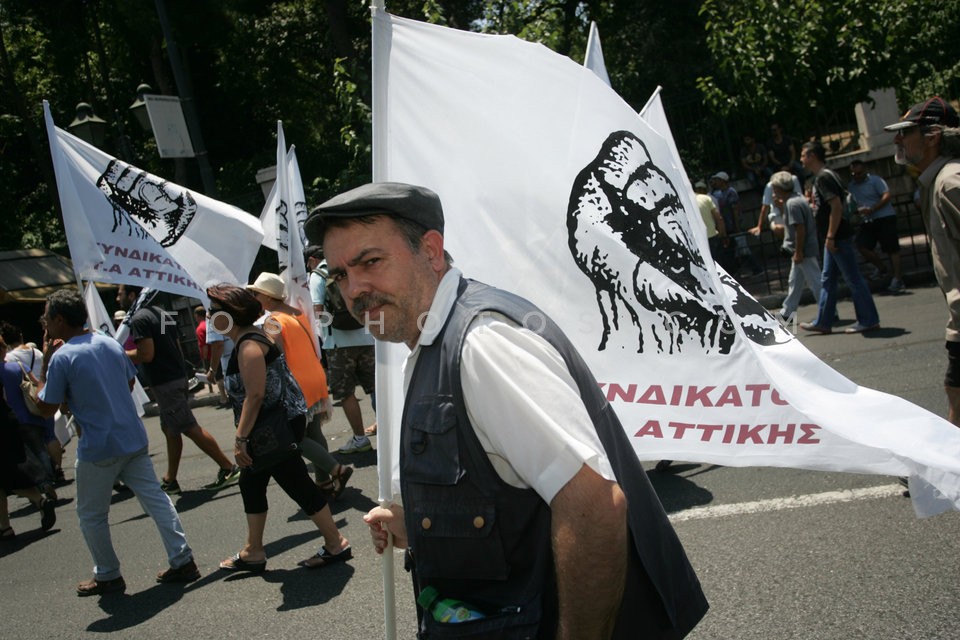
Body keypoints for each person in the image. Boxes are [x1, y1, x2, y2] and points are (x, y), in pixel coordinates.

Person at [305, 182, 708, 639]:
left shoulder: (482, 344)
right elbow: (504, 500)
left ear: (431, 250)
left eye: (370, 262)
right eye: (339, 275)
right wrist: (420, 525)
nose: (354, 290)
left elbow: (594, 506)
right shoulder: (435, 336)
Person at [33, 289, 199, 596]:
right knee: (156, 500)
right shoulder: (109, 343)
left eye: (46, 318)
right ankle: (183, 558)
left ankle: (108, 574)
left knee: (92, 514)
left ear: (58, 320)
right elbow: (129, 381)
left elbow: (46, 407)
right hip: (132, 437)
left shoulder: (62, 357)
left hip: (99, 446)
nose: (45, 324)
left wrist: (45, 364)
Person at [205, 284, 351, 571]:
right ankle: (253, 550)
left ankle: (335, 544)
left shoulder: (248, 345)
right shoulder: (250, 338)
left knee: (295, 482)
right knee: (252, 484)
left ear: (230, 315)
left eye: (214, 312)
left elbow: (256, 395)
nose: (210, 318)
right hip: (277, 425)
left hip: (270, 429)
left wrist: (240, 438)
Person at [116, 284, 239, 494]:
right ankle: (170, 478)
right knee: (171, 429)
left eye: (119, 294)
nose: (118, 298)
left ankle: (228, 467)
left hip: (165, 381)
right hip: (176, 376)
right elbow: (177, 345)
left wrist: (119, 353)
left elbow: (147, 354)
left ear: (132, 295)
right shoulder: (164, 313)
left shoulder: (139, 320)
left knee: (188, 426)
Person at [883, 96, 960, 425]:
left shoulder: (950, 182)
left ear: (933, 136)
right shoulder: (938, 181)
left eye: (905, 132)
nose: (897, 139)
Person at [245, 272, 354, 498]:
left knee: (293, 436)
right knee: (313, 430)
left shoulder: (272, 321)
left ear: (266, 296)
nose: (253, 296)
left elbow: (274, 354)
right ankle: (323, 482)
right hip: (314, 376)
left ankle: (337, 470)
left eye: (255, 293)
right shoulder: (296, 313)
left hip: (297, 383)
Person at [798, 141, 881, 334]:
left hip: (837, 237)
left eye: (803, 155)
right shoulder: (825, 176)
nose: (800, 159)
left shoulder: (824, 178)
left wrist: (830, 236)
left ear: (812, 156)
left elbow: (836, 207)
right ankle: (824, 321)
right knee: (827, 279)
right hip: (833, 237)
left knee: (853, 278)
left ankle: (869, 320)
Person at [304, 244, 378, 450]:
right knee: (376, 388)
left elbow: (318, 310)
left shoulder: (318, 275)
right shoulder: (352, 266)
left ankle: (360, 438)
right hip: (367, 337)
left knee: (346, 393)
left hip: (338, 343)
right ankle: (391, 431)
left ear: (312, 260)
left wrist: (334, 321)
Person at [0, 335, 56, 540]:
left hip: (9, 422)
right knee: (30, 456)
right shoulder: (14, 368)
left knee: (8, 474)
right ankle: (46, 485)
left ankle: (7, 524)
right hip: (17, 418)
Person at [770, 171, 822, 324]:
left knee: (815, 282)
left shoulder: (792, 204)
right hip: (800, 249)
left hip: (803, 250)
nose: (773, 191)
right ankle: (787, 312)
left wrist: (799, 252)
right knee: (795, 281)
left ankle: (829, 310)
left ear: (780, 188)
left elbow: (800, 229)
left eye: (774, 188)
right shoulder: (796, 200)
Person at [847, 159, 904, 292]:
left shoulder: (875, 180)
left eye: (859, 173)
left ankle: (898, 278)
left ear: (865, 170)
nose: (857, 176)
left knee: (892, 249)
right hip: (867, 220)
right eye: (854, 174)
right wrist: (858, 211)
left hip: (884, 216)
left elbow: (886, 195)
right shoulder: (852, 186)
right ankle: (881, 267)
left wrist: (873, 208)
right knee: (862, 245)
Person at [694, 179, 727, 265]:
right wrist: (722, 234)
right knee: (718, 264)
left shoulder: (685, 202)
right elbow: (719, 218)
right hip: (712, 236)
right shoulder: (706, 198)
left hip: (698, 240)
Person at [193, 305, 215, 393]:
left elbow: (203, 345)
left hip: (209, 356)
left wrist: (204, 357)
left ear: (198, 316)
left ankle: (223, 397)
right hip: (217, 353)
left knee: (214, 377)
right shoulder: (210, 324)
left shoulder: (199, 329)